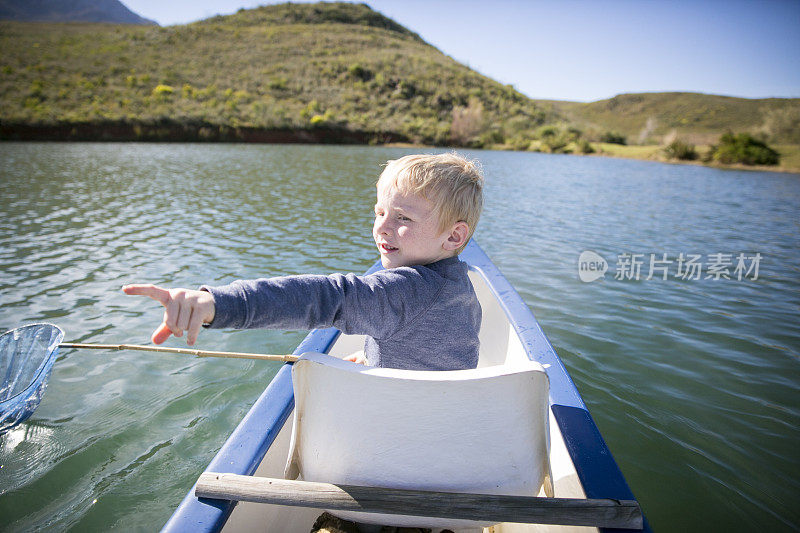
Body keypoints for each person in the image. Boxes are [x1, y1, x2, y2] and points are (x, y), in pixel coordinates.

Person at [123, 153, 484, 370]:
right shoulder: (458, 283)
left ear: (454, 236)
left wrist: (216, 304)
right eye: (379, 212)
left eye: (403, 219)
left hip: (394, 427)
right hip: (443, 418)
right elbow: (432, 347)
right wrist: (374, 356)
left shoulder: (402, 292)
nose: (382, 228)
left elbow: (326, 297)